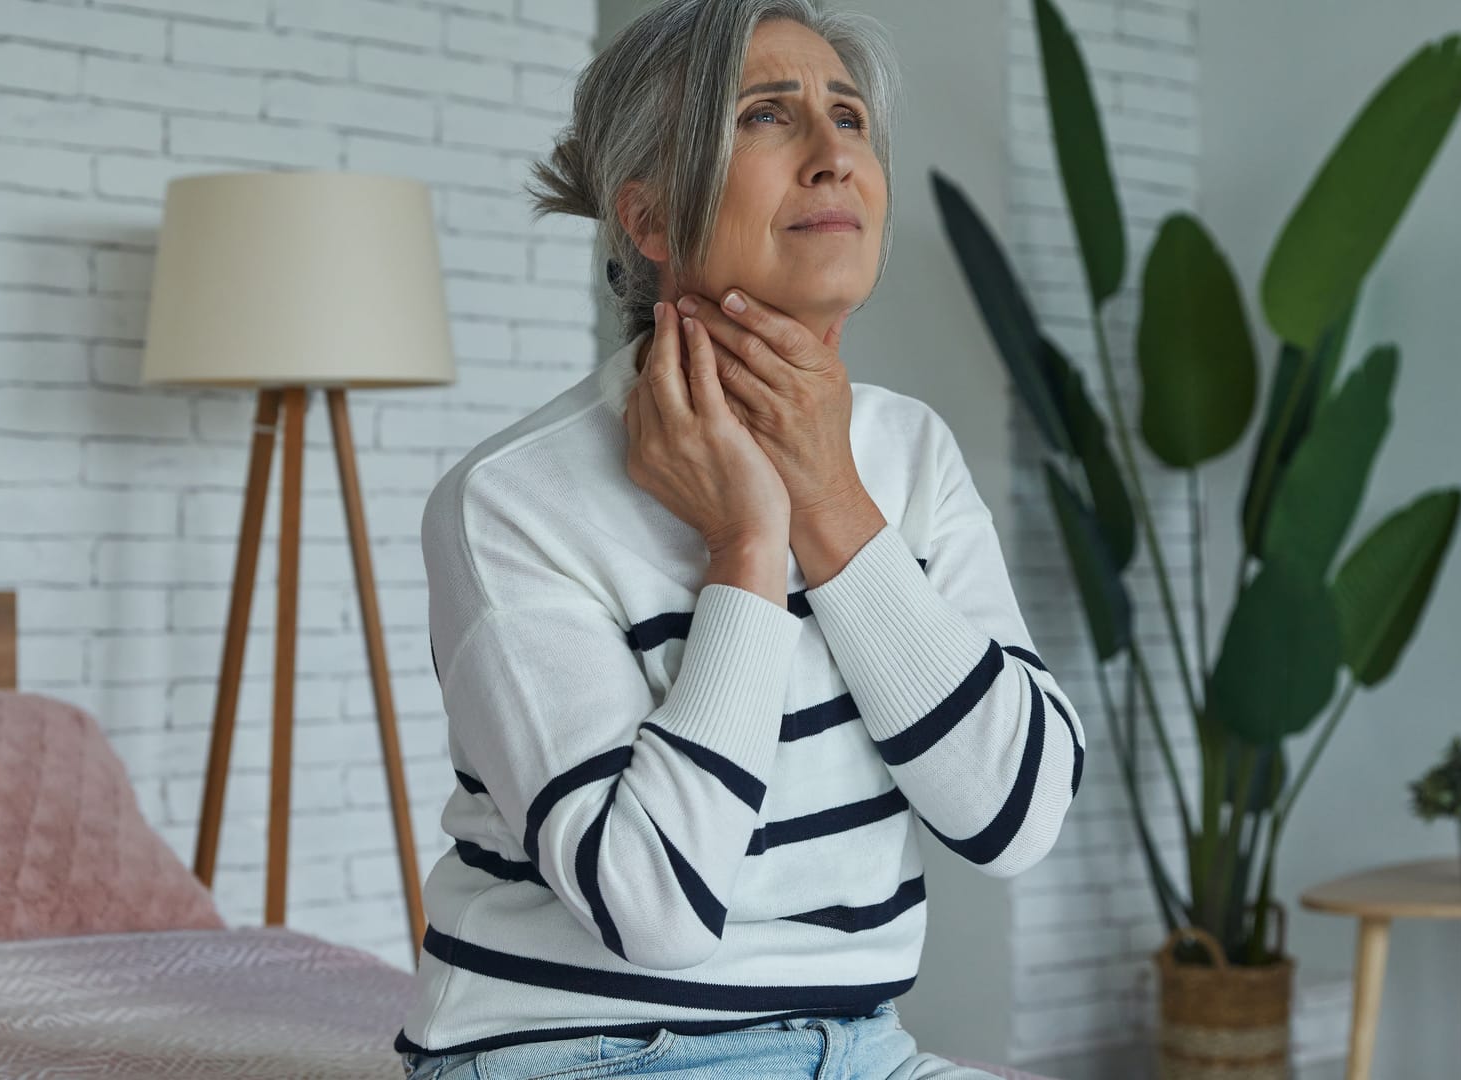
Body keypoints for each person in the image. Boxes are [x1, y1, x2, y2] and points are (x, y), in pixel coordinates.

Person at [395, 1, 1087, 1076]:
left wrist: (831, 500)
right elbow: (655, 908)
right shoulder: (509, 502)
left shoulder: (907, 455)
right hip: (585, 1051)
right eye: (768, 115)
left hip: (862, 1048)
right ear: (654, 217)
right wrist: (747, 549)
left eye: (848, 117)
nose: (833, 158)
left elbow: (1016, 817)